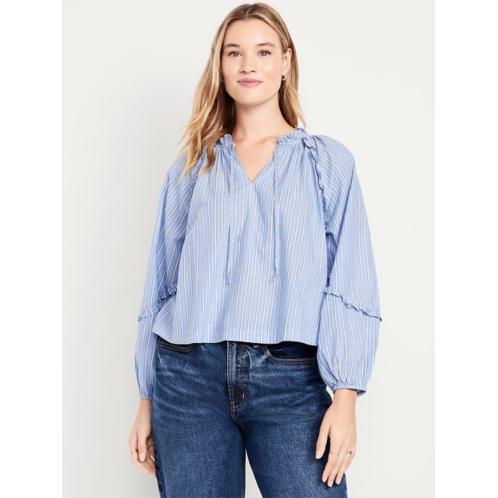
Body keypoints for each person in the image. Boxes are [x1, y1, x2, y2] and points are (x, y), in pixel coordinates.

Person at [128, 3, 381, 497]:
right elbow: (160, 284)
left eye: (263, 52)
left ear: (286, 61)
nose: (249, 65)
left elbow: (351, 278)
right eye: (234, 53)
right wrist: (145, 399)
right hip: (187, 379)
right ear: (220, 67)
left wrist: (346, 395)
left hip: (290, 379)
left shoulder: (326, 164)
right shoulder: (192, 167)